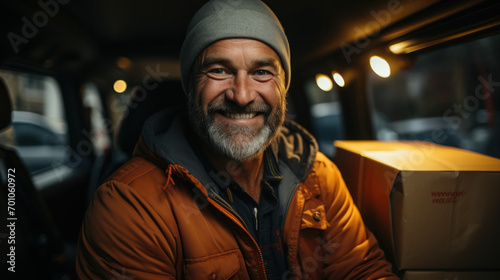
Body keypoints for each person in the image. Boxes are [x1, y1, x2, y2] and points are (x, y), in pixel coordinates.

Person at [76, 0, 399, 279]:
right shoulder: (129, 206)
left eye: (262, 72)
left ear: (282, 89)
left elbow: (362, 271)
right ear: (191, 87)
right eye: (219, 70)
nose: (242, 96)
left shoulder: (317, 175)